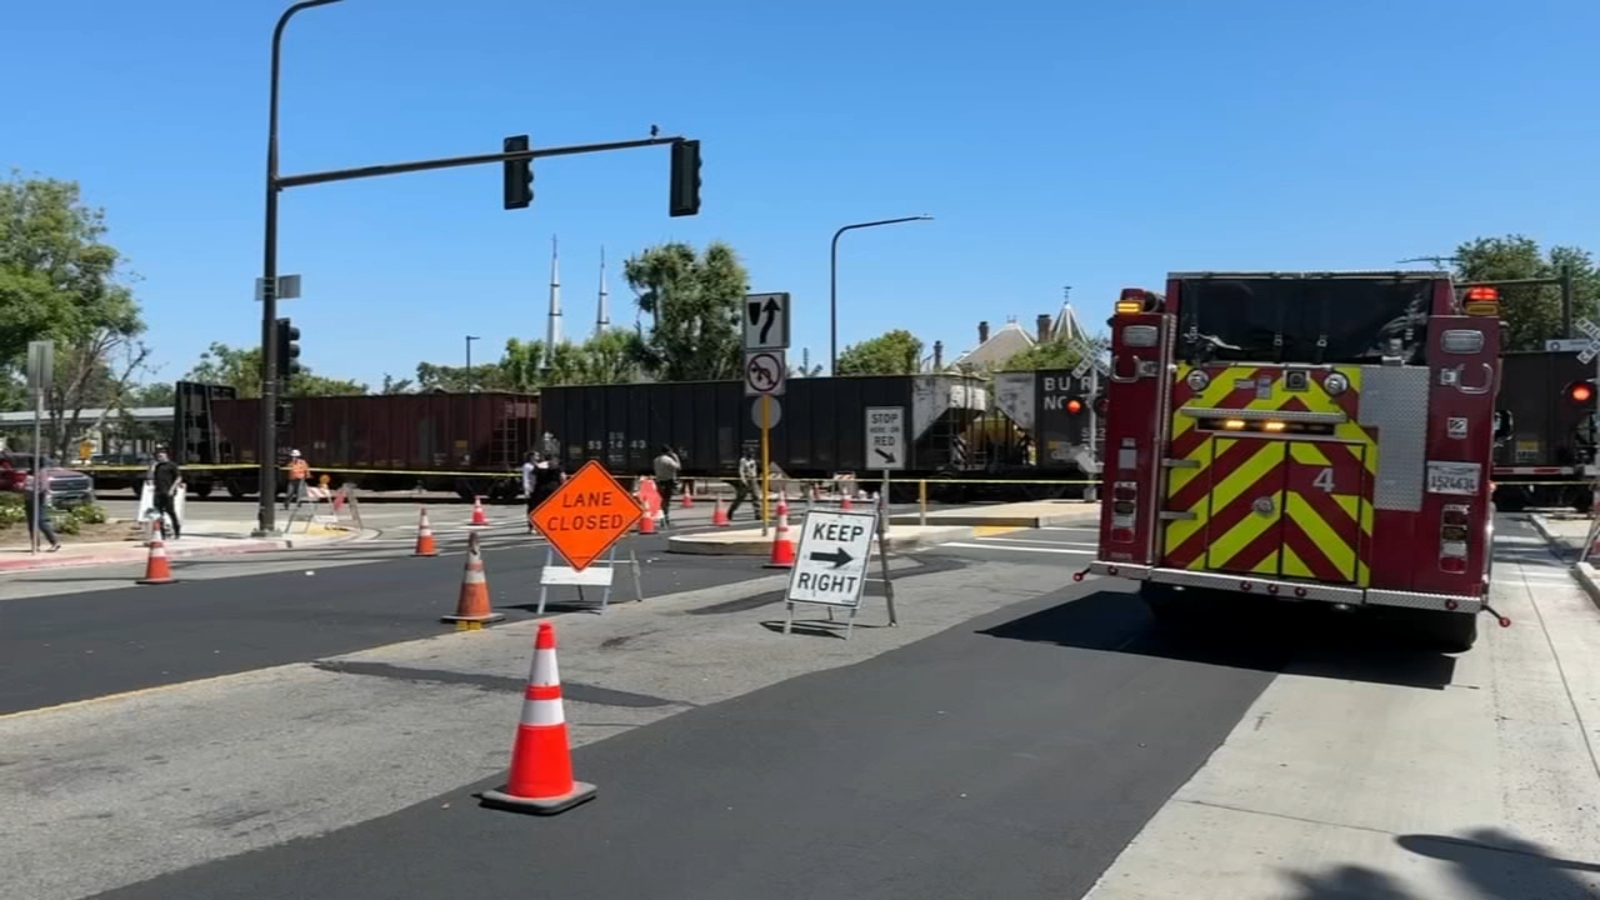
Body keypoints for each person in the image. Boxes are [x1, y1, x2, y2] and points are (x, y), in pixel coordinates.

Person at [22, 471, 61, 553]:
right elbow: (26, 485)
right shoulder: (29, 473)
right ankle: (35, 545)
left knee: (41, 521)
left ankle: (54, 542)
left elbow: (44, 487)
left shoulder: (41, 472)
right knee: (32, 523)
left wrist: (38, 495)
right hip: (29, 499)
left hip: (38, 500)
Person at [528, 453, 566, 535]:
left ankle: (536, 527)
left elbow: (532, 478)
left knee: (537, 509)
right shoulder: (557, 467)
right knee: (553, 510)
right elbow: (563, 478)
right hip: (554, 491)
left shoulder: (538, 466)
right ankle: (551, 527)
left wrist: (531, 488)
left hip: (540, 490)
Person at [150, 449, 183, 540]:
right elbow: (151, 478)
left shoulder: (172, 465)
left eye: (161, 456)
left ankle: (177, 531)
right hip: (158, 492)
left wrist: (172, 489)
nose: (159, 458)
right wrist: (152, 469)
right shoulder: (157, 466)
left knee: (171, 512)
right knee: (158, 514)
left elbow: (178, 478)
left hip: (168, 492)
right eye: (158, 456)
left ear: (166, 456)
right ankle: (161, 533)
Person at [652, 445, 681, 527]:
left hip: (659, 481)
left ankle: (662, 519)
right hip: (668, 481)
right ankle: (666, 518)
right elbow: (678, 467)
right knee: (667, 501)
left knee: (661, 501)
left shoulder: (656, 460)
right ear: (668, 452)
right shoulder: (669, 460)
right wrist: (676, 457)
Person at [728, 449, 760, 521]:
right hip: (746, 479)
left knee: (756, 495)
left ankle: (758, 513)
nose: (752, 455)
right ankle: (731, 511)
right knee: (741, 497)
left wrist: (755, 477)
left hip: (752, 479)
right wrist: (743, 480)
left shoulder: (753, 461)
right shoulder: (743, 460)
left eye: (753, 454)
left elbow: (754, 470)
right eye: (751, 454)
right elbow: (741, 470)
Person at [521, 452, 539, 533]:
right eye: (536, 455)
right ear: (531, 457)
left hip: (538, 489)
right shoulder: (527, 466)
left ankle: (538, 526)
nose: (538, 457)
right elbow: (525, 478)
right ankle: (531, 526)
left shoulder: (539, 465)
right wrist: (526, 490)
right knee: (531, 508)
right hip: (531, 489)